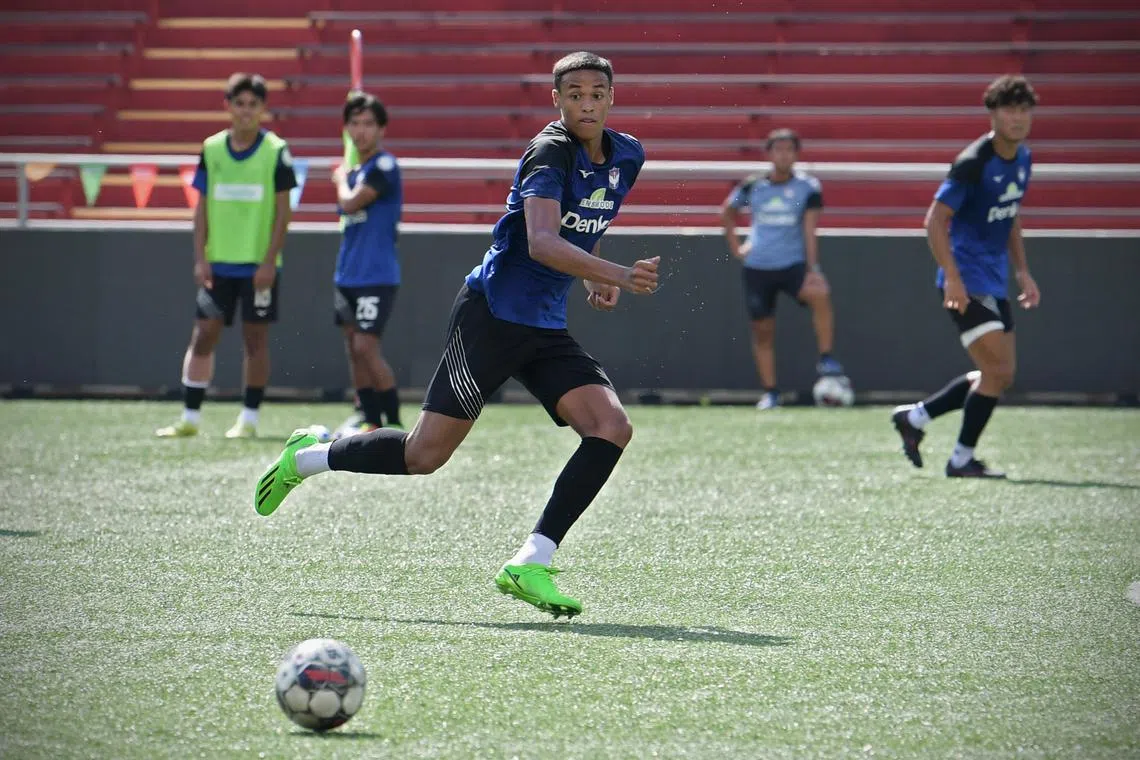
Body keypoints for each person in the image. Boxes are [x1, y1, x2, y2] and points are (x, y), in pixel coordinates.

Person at [253, 52, 659, 619]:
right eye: (574, 94)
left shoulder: (627, 155)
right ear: (557, 100)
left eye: (596, 93)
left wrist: (594, 270)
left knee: (611, 427)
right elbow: (542, 241)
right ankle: (309, 458)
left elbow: (583, 219)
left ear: (612, 97)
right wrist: (614, 274)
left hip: (543, 325)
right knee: (423, 456)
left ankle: (530, 562)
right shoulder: (548, 152)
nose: (586, 103)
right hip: (491, 317)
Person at [891, 74, 1041, 478]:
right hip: (967, 282)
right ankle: (958, 457)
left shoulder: (1023, 158)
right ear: (992, 114)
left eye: (1024, 110)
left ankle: (919, 419)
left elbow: (1010, 216)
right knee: (998, 374)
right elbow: (934, 221)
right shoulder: (974, 162)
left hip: (994, 279)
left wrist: (1024, 271)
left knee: (1000, 375)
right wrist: (952, 278)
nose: (1018, 118)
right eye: (1009, 109)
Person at [156, 72, 296, 439]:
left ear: (263, 109)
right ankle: (190, 417)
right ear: (228, 107)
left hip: (258, 267)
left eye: (253, 104)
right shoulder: (212, 149)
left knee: (255, 340)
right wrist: (200, 257)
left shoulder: (276, 151)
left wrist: (269, 261)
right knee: (204, 334)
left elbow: (284, 213)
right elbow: (201, 207)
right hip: (219, 264)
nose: (246, 111)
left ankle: (248, 419)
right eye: (240, 103)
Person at [719, 128, 844, 411]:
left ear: (796, 154)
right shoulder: (754, 186)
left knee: (820, 294)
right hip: (758, 266)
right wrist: (737, 247)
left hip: (792, 264)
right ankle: (771, 392)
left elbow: (810, 229)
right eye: (778, 149)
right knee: (762, 331)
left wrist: (814, 268)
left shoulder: (808, 187)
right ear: (770, 153)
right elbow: (727, 212)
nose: (784, 155)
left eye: (789, 149)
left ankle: (826, 356)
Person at [331, 92, 404, 435]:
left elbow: (349, 204)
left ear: (382, 130)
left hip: (376, 275)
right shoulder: (356, 171)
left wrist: (339, 180)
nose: (361, 131)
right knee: (353, 349)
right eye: (355, 124)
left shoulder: (383, 167)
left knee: (365, 346)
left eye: (369, 124)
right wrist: (346, 177)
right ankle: (369, 417)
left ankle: (394, 418)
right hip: (348, 274)